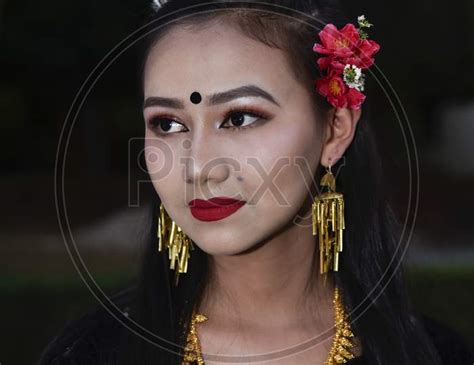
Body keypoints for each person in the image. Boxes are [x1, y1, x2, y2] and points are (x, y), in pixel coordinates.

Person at [38, 0, 474, 364]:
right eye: (168, 124)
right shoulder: (91, 353)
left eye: (240, 117)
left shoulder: (435, 355)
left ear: (335, 128)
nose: (197, 167)